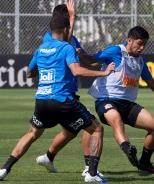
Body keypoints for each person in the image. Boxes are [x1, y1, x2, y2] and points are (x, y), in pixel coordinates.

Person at [0, 15, 115, 183]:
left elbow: (28, 73)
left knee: (33, 133)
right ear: (66, 29)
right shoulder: (66, 47)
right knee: (96, 129)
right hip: (61, 99)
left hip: (42, 100)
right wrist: (104, 73)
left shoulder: (40, 49)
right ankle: (92, 173)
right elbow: (77, 71)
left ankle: (3, 169)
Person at [86, 26, 154, 173]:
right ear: (129, 41)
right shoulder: (115, 51)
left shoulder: (140, 61)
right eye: (139, 44)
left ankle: (144, 162)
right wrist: (78, 54)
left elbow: (151, 83)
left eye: (144, 44)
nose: (142, 48)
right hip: (106, 100)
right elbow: (92, 60)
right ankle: (127, 149)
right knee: (116, 120)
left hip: (128, 104)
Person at [35, 2, 103, 177]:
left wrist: (96, 58)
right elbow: (64, 43)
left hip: (68, 91)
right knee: (92, 126)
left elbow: (79, 54)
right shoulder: (50, 37)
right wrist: (72, 16)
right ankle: (90, 169)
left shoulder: (71, 38)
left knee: (71, 130)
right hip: (61, 93)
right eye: (69, 16)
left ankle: (48, 157)